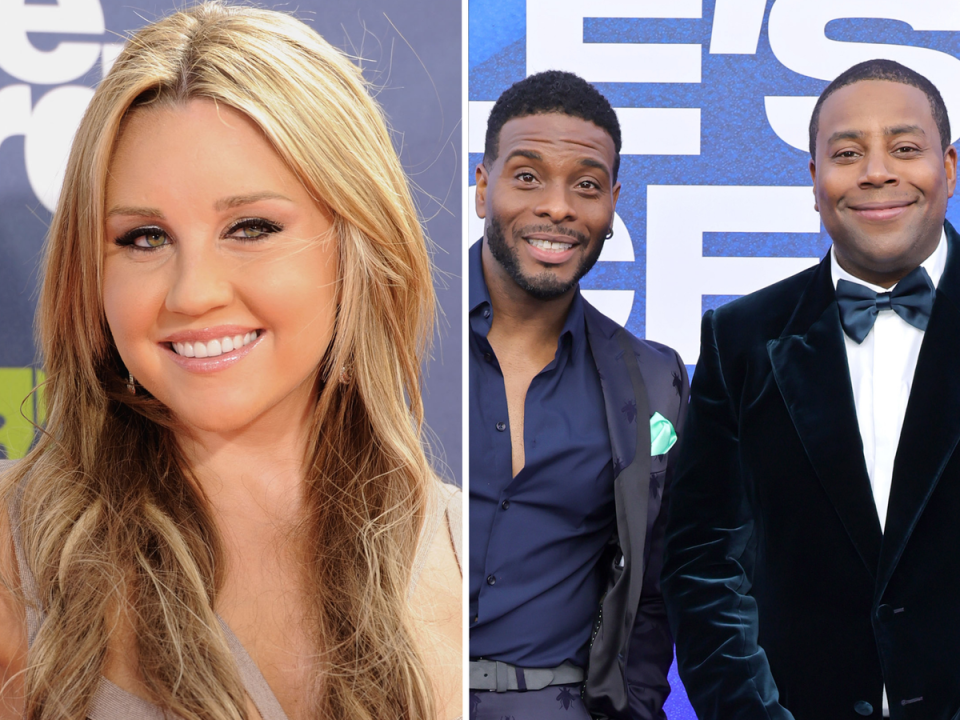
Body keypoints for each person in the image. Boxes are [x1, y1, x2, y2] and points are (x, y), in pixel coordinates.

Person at [0, 4, 461, 719]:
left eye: (251, 228)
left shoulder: (465, 552)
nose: (193, 293)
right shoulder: (12, 551)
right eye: (144, 238)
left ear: (359, 245)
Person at [662, 59, 959, 720]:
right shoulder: (740, 339)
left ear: (949, 168)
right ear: (814, 180)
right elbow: (704, 563)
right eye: (847, 153)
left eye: (904, 149)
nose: (876, 171)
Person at [468, 70, 689, 720]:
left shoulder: (653, 381)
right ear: (484, 187)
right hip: (387, 694)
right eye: (528, 176)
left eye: (586, 186)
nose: (558, 207)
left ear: (613, 205)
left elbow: (654, 592)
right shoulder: (396, 335)